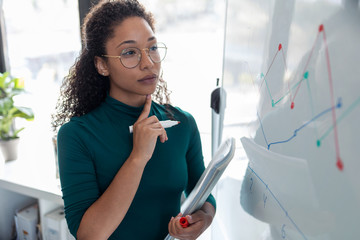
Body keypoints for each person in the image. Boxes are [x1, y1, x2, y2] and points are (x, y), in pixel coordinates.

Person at [51, 0, 216, 239]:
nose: (148, 62)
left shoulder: (183, 124)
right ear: (101, 65)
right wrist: (138, 157)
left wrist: (204, 218)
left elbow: (203, 194)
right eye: (129, 52)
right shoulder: (77, 135)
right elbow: (88, 235)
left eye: (152, 48)